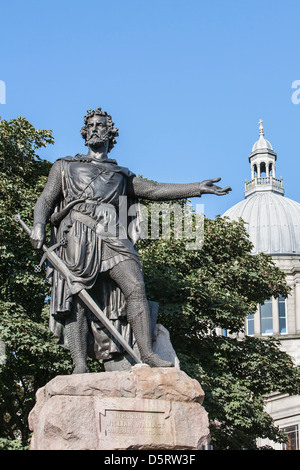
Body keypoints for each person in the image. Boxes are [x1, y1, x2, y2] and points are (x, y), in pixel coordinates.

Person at [30, 107, 231, 373]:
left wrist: (196, 188)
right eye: (89, 125)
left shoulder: (121, 175)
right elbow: (46, 199)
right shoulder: (65, 166)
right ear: (83, 132)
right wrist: (38, 225)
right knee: (76, 295)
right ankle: (79, 364)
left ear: (111, 133)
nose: (93, 129)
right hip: (79, 234)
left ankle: (146, 354)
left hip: (113, 234)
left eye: (99, 125)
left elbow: (156, 190)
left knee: (135, 286)